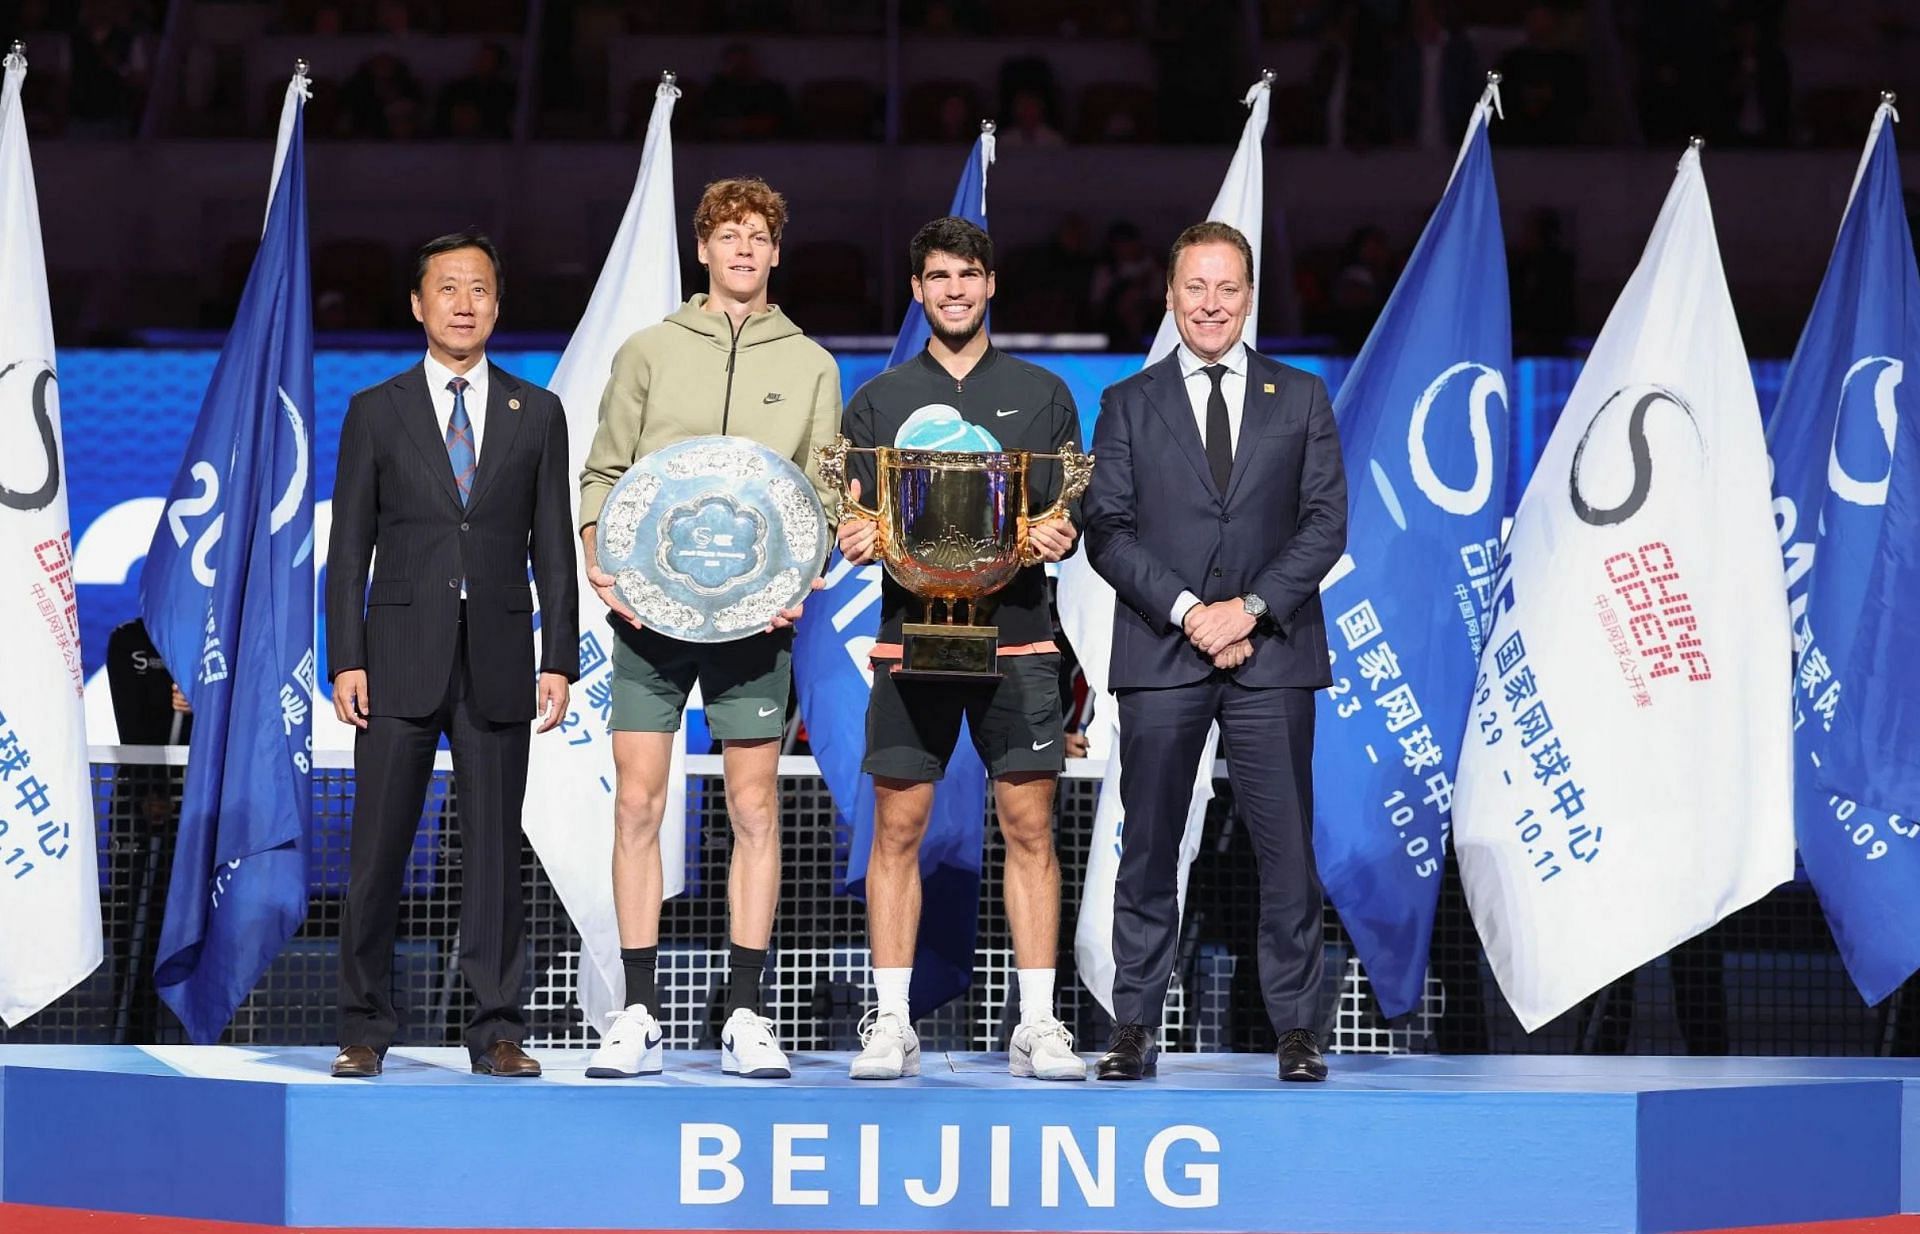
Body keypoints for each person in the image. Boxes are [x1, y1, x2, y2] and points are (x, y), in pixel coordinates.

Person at [577, 177, 841, 1080]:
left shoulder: (810, 364)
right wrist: (594, 553)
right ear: (703, 249)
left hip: (758, 625)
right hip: (649, 618)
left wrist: (806, 577)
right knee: (640, 803)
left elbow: (824, 498)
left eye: (757, 236)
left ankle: (743, 1015)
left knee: (755, 809)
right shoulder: (649, 351)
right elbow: (603, 474)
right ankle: (637, 1013)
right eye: (727, 234)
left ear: (776, 251)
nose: (742, 249)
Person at [1082, 220, 1347, 1083]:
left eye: (1227, 288)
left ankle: (1299, 1032)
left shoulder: (1301, 396)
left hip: (1275, 654)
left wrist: (1253, 609)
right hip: (1164, 652)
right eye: (1195, 287)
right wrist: (1195, 611)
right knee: (1150, 846)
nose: (1211, 304)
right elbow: (1107, 531)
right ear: (1170, 295)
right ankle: (1133, 1027)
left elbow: (1325, 524)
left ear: (1249, 296)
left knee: (1286, 850)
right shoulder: (1128, 401)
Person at [836, 216, 1087, 1082]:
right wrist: (855, 533)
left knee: (1030, 828)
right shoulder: (877, 401)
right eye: (937, 277)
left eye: (968, 276)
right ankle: (894, 1021)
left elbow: (1063, 511)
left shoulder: (1044, 392)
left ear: (990, 286)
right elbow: (855, 513)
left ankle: (1039, 1023)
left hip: (1017, 639)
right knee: (898, 829)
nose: (953, 290)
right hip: (912, 642)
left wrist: (1060, 533)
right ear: (918, 290)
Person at [325, 232, 579, 1079]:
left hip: (503, 657)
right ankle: (364, 1025)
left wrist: (559, 658)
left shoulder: (536, 411)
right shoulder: (375, 409)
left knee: (496, 856)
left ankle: (497, 1027)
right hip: (396, 656)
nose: (463, 303)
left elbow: (554, 548)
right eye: (447, 288)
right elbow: (349, 546)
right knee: (378, 853)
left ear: (497, 306)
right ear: (417, 304)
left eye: (479, 288)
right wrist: (345, 656)